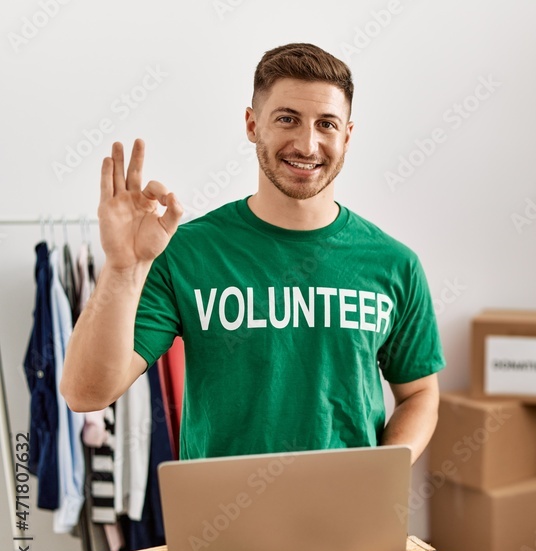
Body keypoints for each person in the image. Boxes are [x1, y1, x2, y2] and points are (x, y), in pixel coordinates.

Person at [61, 43, 444, 464]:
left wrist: (381, 471)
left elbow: (419, 393)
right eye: (287, 119)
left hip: (347, 524)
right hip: (220, 522)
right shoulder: (185, 252)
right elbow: (86, 393)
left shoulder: (395, 265)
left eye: (327, 124)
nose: (307, 143)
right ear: (252, 124)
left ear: (347, 135)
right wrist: (121, 268)